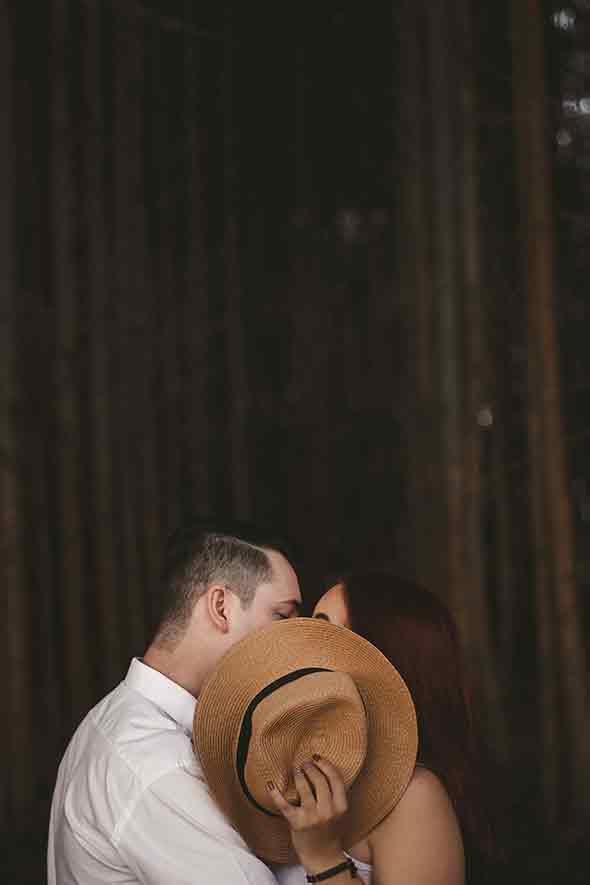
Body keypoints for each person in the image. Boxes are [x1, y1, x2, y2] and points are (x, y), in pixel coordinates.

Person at [47, 518, 343, 884]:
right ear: (221, 606)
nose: (293, 640)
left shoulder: (113, 718)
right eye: (281, 615)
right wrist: (326, 857)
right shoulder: (155, 764)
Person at [275, 572, 498, 885]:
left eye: (323, 630)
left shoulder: (413, 797)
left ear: (382, 656)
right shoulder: (295, 770)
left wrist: (322, 856)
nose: (303, 644)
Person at [192, 615, 419, 885]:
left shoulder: (414, 798)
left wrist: (324, 858)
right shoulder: (250, 810)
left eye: (329, 627)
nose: (306, 633)